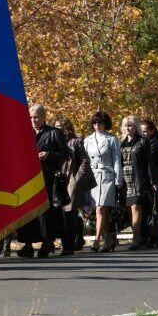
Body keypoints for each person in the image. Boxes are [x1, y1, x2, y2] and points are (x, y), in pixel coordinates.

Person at [17, 104, 67, 258]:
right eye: (30, 117)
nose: (33, 120)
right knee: (28, 211)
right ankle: (28, 244)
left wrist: (49, 155)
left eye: (36, 117)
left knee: (46, 212)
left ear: (44, 117)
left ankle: (47, 242)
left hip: (47, 178)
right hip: (28, 179)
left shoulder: (54, 133)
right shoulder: (25, 133)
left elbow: (65, 154)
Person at [84, 110, 121, 252]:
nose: (97, 125)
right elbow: (85, 161)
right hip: (93, 177)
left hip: (107, 176)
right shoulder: (88, 140)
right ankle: (109, 239)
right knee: (100, 210)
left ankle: (97, 240)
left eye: (100, 122)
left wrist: (118, 180)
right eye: (94, 122)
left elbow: (117, 160)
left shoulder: (112, 139)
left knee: (101, 208)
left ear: (106, 124)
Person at [59, 118, 92, 255]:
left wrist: (77, 178)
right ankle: (69, 241)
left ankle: (69, 244)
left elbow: (84, 160)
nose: (59, 129)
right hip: (60, 179)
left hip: (72, 179)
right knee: (62, 212)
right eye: (56, 126)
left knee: (70, 210)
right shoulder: (56, 141)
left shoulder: (75, 142)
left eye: (61, 126)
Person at [120, 116, 149, 250]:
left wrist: (152, 181)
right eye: (126, 125)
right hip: (124, 179)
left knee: (136, 208)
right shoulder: (121, 142)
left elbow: (149, 163)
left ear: (136, 127)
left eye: (131, 125)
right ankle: (140, 236)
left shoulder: (142, 142)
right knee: (129, 210)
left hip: (137, 179)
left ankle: (136, 238)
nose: (128, 128)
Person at [140, 119, 158, 248]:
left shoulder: (155, 144)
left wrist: (155, 181)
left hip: (157, 181)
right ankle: (149, 236)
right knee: (150, 210)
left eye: (146, 131)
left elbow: (150, 161)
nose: (144, 134)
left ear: (152, 131)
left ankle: (157, 237)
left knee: (157, 210)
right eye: (142, 131)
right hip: (148, 180)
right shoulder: (144, 142)